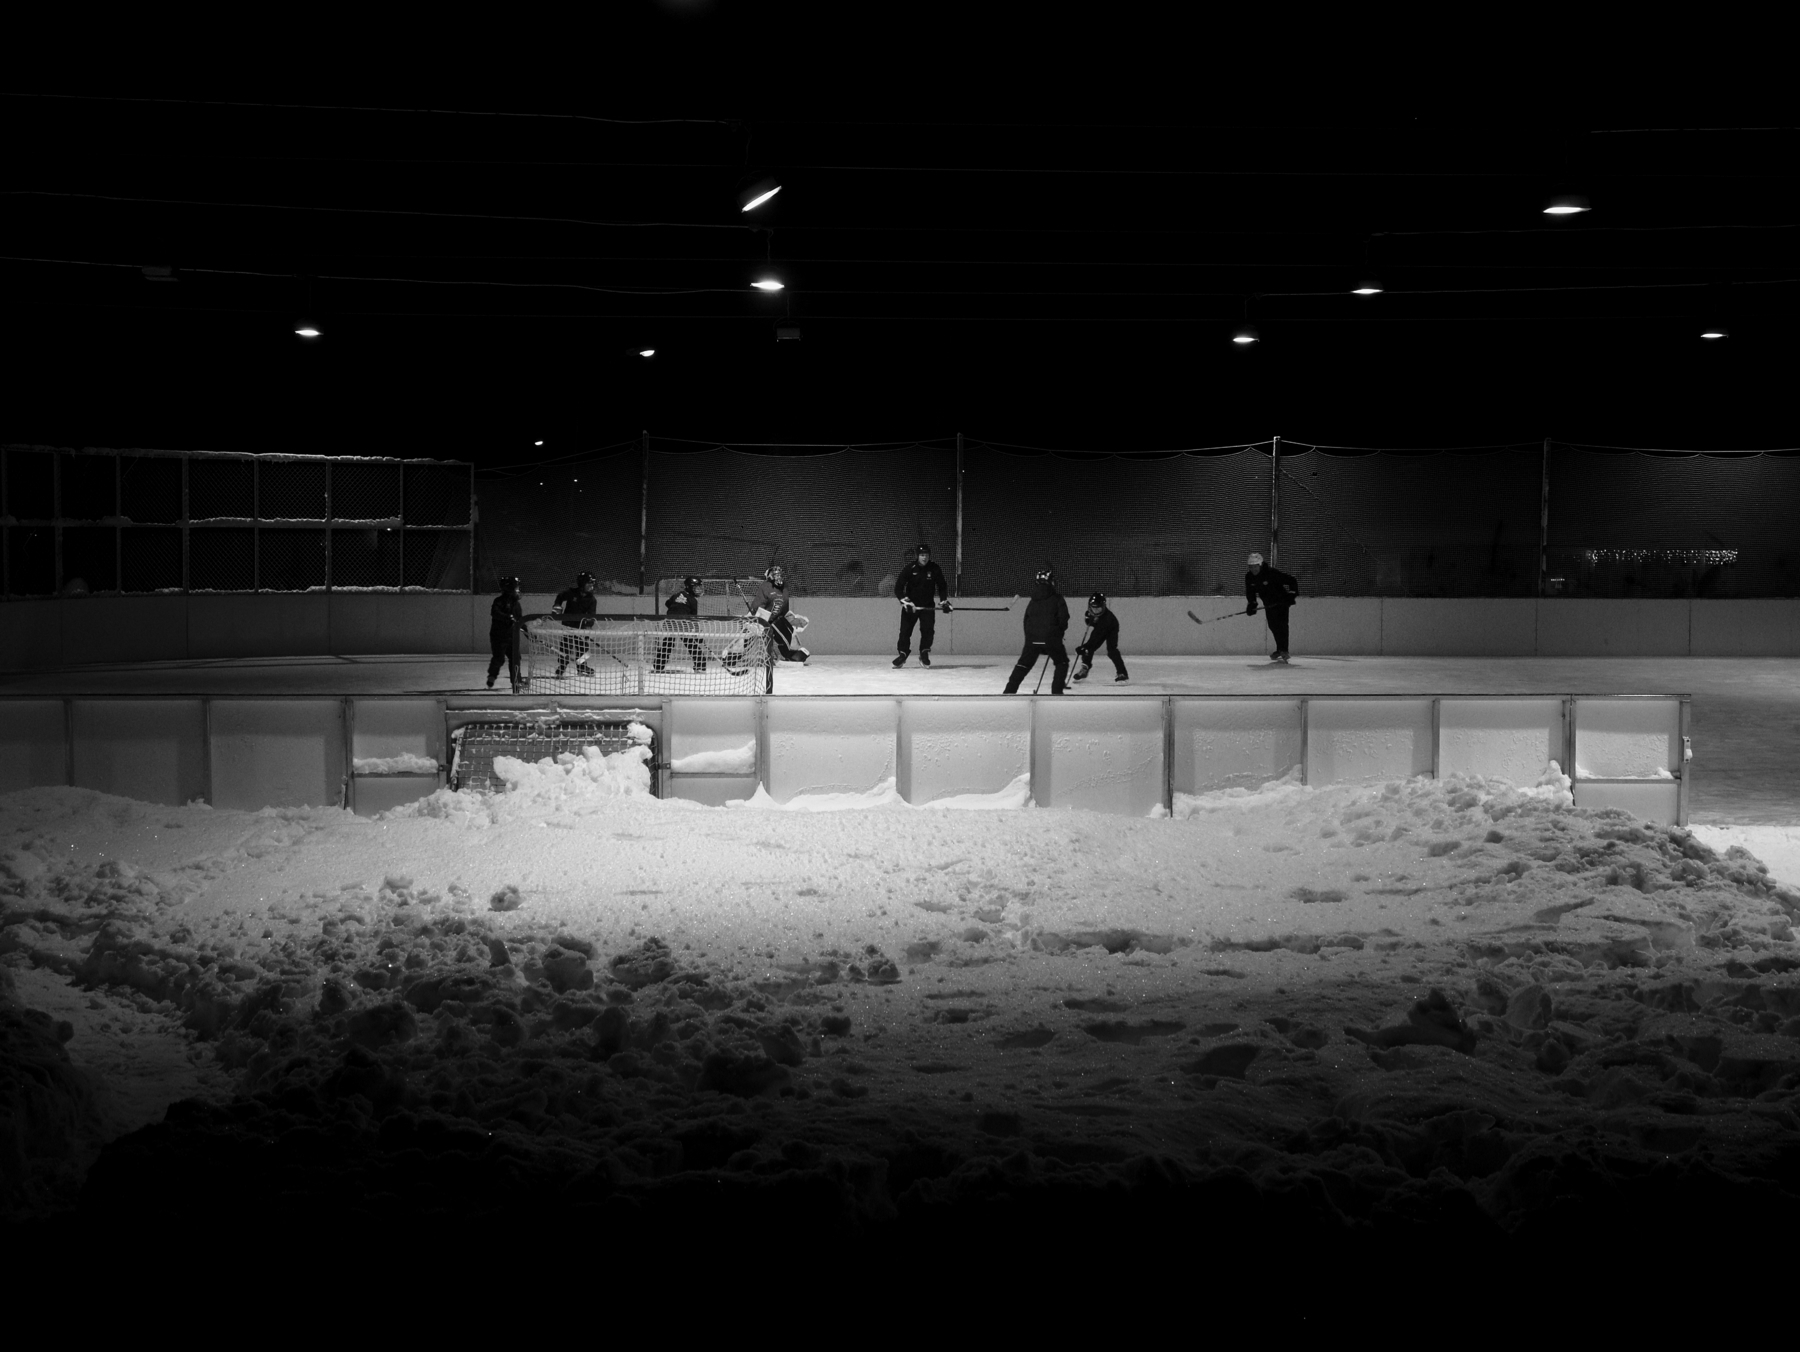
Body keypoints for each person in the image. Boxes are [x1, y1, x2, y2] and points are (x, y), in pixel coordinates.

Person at [1002, 567, 1070, 695]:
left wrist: (1030, 639)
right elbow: (1064, 618)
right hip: (1051, 639)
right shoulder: (1057, 598)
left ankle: (1009, 692)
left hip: (1032, 639)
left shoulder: (1033, 601)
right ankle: (1056, 693)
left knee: (1023, 665)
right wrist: (1058, 634)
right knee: (1062, 662)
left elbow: (1026, 621)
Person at [892, 544, 949, 668]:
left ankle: (924, 653)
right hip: (911, 607)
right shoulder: (910, 568)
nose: (924, 558)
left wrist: (944, 601)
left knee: (928, 631)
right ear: (917, 556)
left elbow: (942, 586)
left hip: (927, 607)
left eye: (927, 555)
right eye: (922, 555)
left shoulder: (934, 568)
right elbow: (898, 588)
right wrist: (904, 601)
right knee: (905, 632)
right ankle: (903, 653)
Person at [746, 564, 809, 665]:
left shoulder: (784, 588)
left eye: (780, 575)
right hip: (762, 619)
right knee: (750, 631)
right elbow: (758, 605)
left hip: (775, 620)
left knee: (787, 630)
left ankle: (784, 655)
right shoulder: (766, 586)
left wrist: (792, 620)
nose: (778, 577)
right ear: (771, 576)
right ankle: (737, 654)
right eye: (776, 575)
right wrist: (755, 618)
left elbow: (784, 609)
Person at [1244, 552, 1300, 662]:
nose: (1253, 569)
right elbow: (1250, 592)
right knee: (1273, 626)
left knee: (1282, 625)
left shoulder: (1271, 573)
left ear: (1260, 565)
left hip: (1281, 602)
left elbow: (1291, 580)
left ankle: (1284, 650)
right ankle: (1280, 649)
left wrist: (1292, 594)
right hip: (1268, 604)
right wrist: (1252, 603)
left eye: (1255, 566)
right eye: (1251, 567)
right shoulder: (1249, 577)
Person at [654, 575, 707, 673]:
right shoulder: (692, 600)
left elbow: (667, 603)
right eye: (696, 588)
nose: (698, 590)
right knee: (691, 644)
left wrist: (676, 606)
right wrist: (696, 635)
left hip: (670, 622)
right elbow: (693, 618)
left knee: (668, 642)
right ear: (689, 587)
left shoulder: (676, 595)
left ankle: (658, 665)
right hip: (683, 624)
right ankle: (701, 665)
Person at [551, 570, 599, 678]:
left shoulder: (591, 599)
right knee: (565, 647)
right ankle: (562, 666)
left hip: (580, 628)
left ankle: (582, 667)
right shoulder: (572, 593)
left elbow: (592, 615)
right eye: (589, 583)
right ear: (582, 584)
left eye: (592, 584)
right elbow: (560, 596)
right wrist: (557, 605)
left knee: (583, 647)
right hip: (567, 625)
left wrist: (588, 625)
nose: (591, 586)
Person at [1072, 592, 1128, 683]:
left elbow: (1095, 639)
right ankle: (1084, 669)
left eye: (1098, 608)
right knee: (1088, 649)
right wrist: (1089, 620)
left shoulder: (1107, 619)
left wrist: (1083, 648)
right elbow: (1091, 622)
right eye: (1093, 608)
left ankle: (1122, 673)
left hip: (1111, 628)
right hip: (1100, 627)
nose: (1096, 610)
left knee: (1112, 650)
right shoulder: (1090, 613)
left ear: (1103, 606)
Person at [485, 575, 524, 691]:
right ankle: (492, 676)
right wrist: (507, 617)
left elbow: (520, 620)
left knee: (515, 658)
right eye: (516, 588)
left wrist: (528, 631)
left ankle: (516, 681)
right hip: (499, 636)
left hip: (512, 636)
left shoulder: (516, 604)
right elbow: (495, 613)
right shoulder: (499, 601)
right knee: (499, 658)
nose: (517, 590)